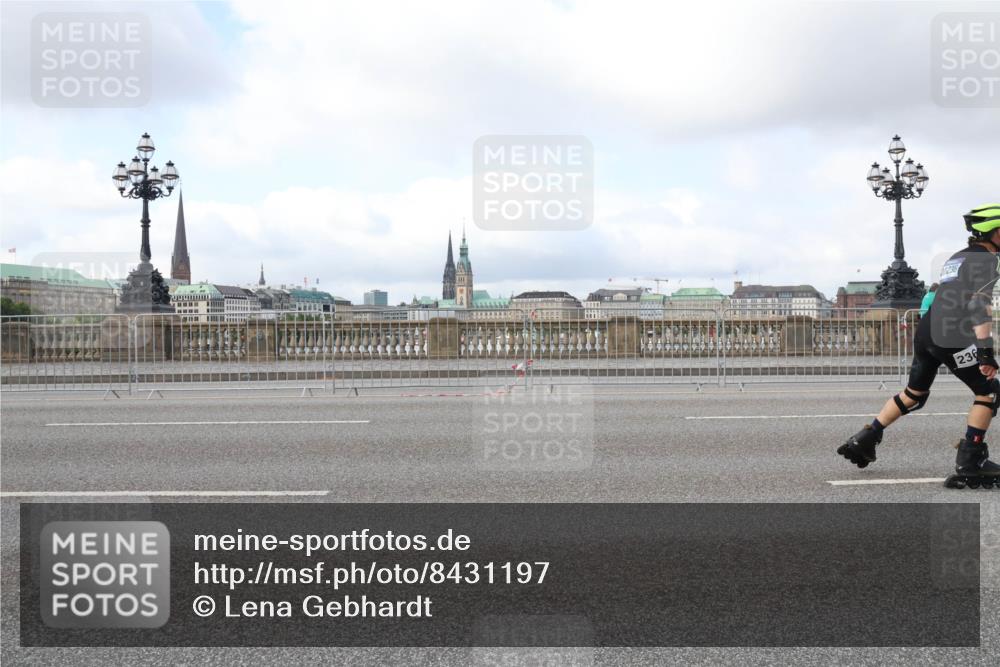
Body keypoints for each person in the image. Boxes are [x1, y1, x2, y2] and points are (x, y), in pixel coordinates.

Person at [838, 203, 1000, 489]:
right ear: (995, 233)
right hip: (951, 335)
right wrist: (986, 351)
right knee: (988, 391)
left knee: (915, 393)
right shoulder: (987, 261)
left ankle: (866, 438)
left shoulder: (958, 257)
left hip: (927, 330)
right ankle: (971, 461)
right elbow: (979, 303)